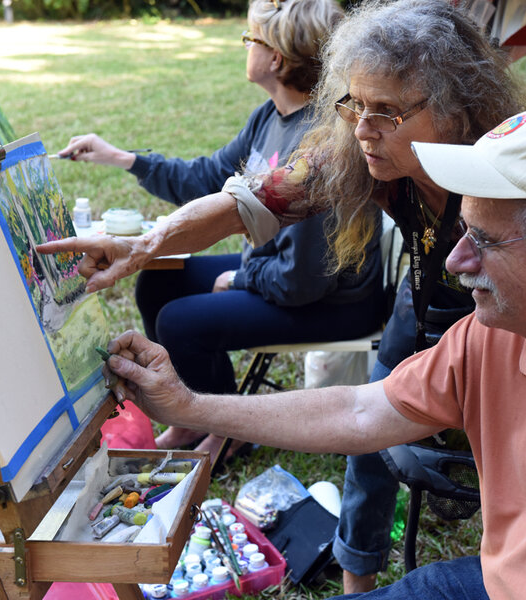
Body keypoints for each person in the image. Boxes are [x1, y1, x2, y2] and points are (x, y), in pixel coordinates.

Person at [100, 107, 526, 599]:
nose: (455, 258)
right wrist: (190, 406)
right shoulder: (499, 331)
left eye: (483, 239)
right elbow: (364, 414)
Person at [38, 0, 525, 589]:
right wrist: (147, 244)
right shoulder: (358, 147)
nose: (363, 128)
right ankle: (357, 575)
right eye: (353, 104)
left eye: (388, 112)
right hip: (421, 296)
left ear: (452, 109)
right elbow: (251, 201)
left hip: (504, 313)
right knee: (373, 431)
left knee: (492, 445)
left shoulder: (506, 191)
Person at [58, 0, 384, 460]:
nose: (245, 46)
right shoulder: (269, 117)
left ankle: (221, 424)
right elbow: (205, 178)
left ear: (276, 57)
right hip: (284, 270)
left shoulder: (321, 146)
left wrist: (240, 278)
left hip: (331, 299)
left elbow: (304, 278)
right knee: (158, 281)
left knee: (179, 323)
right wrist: (122, 158)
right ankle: (197, 419)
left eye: (251, 38)